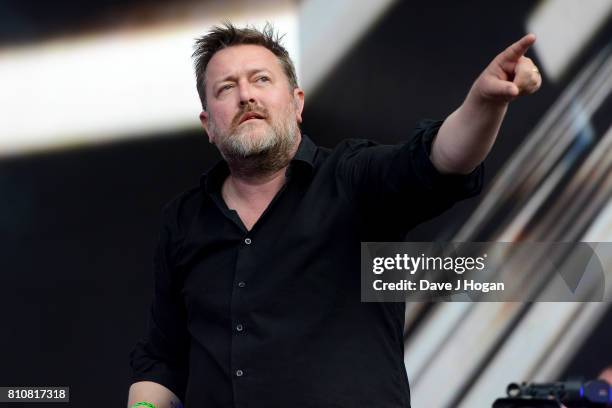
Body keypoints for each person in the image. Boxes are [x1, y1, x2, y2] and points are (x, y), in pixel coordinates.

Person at [127, 23, 541, 408]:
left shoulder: (350, 178)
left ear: (297, 103)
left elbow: (438, 161)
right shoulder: (184, 220)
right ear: (208, 125)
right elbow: (163, 359)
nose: (246, 95)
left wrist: (483, 102)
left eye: (261, 79)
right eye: (226, 88)